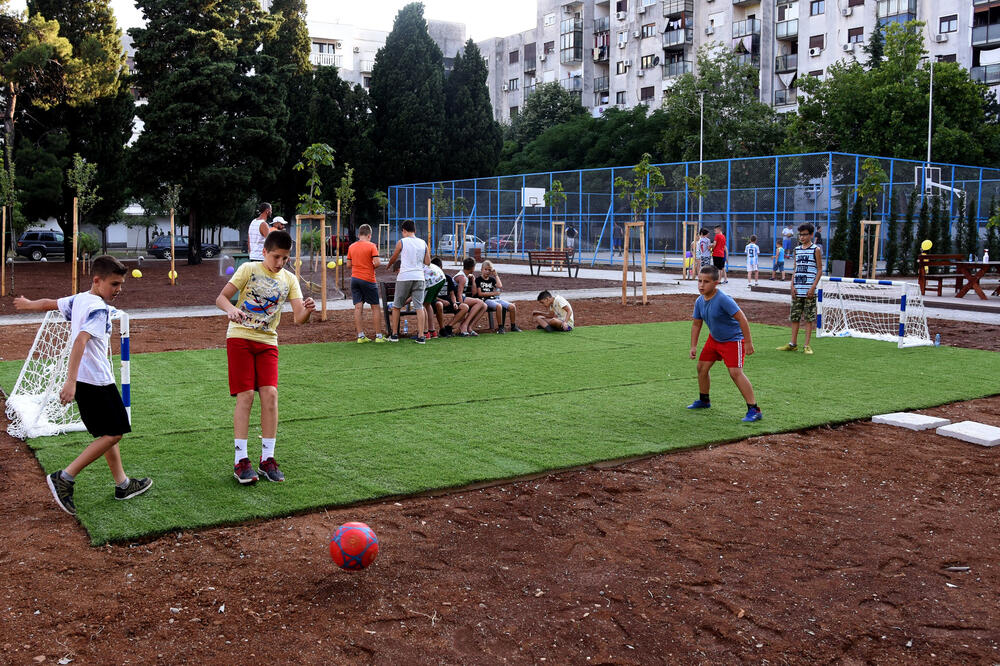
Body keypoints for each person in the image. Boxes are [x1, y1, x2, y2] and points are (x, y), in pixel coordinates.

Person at [14, 256, 152, 515]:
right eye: (114, 284)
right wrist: (70, 382)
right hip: (96, 382)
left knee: (109, 433)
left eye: (121, 284)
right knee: (115, 433)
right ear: (97, 280)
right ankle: (65, 478)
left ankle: (122, 484)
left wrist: (28, 304)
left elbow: (50, 304)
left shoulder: (80, 299)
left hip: (91, 381)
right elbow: (79, 341)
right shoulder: (98, 309)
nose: (118, 289)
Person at [215, 230, 316, 484]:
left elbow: (298, 318)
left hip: (268, 341)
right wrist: (231, 310)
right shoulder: (249, 269)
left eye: (285, 258)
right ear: (264, 253)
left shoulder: (290, 279)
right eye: (275, 257)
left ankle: (267, 460)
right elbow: (221, 298)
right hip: (239, 337)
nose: (280, 263)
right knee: (246, 395)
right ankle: (241, 461)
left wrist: (308, 311)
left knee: (271, 394)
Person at [687, 265, 762, 422]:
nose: (701, 285)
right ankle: (704, 400)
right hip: (714, 339)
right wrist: (693, 346)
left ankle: (754, 409)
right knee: (701, 368)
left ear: (716, 282)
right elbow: (696, 324)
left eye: (706, 282)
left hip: (733, 340)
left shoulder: (723, 299)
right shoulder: (699, 301)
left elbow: (742, 318)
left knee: (735, 373)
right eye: (699, 281)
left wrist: (748, 342)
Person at [777, 222, 823, 356]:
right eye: (800, 235)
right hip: (797, 289)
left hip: (810, 290)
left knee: (809, 318)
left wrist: (813, 287)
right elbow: (795, 269)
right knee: (795, 317)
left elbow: (820, 270)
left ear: (811, 235)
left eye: (805, 234)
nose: (802, 237)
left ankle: (807, 345)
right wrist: (792, 285)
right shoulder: (796, 250)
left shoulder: (816, 250)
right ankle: (793, 344)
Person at [384, 219, 430, 343]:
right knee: (419, 306)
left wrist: (388, 266)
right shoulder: (423, 243)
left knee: (397, 305)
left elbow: (394, 257)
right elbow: (428, 262)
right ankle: (421, 336)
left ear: (404, 231)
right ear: (414, 230)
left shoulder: (402, 242)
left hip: (405, 276)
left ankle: (394, 335)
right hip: (419, 277)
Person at [346, 224, 384, 343]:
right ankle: (378, 336)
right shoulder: (372, 246)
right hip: (368, 279)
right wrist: (369, 266)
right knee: (375, 307)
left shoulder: (351, 247)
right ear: (369, 235)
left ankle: (361, 336)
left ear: (359, 235)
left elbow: (348, 265)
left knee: (358, 307)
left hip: (355, 279)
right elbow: (377, 263)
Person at [476, 260, 521, 333]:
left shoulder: (492, 279)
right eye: (485, 269)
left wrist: (496, 275)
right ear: (481, 270)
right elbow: (480, 294)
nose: (487, 271)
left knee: (512, 307)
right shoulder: (478, 280)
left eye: (489, 270)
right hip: (485, 300)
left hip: (495, 299)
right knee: (499, 306)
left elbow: (500, 286)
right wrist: (493, 293)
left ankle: (513, 326)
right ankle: (500, 328)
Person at [430, 257, 469, 337]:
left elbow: (452, 294)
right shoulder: (431, 279)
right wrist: (442, 301)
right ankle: (442, 329)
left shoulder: (447, 278)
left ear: (441, 267)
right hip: (435, 301)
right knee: (439, 304)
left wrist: (454, 302)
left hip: (448, 301)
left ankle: (448, 326)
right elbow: (431, 295)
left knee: (465, 307)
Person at [453, 257, 488, 337]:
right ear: (472, 267)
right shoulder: (462, 278)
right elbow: (459, 294)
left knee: (484, 306)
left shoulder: (466, 276)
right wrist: (462, 307)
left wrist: (473, 280)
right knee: (480, 302)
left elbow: (474, 293)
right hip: (455, 299)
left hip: (461, 297)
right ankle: (464, 326)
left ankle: (469, 327)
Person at [421, 259, 448, 339]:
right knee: (427, 304)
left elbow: (413, 296)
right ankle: (432, 331)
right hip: (440, 277)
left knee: (423, 305)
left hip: (432, 280)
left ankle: (425, 333)